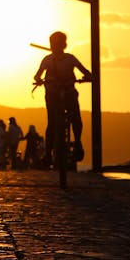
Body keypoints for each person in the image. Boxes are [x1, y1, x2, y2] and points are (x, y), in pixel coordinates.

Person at [33, 31, 91, 166]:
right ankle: (48, 152)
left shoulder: (70, 59)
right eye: (54, 44)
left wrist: (88, 75)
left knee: (75, 119)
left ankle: (77, 142)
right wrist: (39, 80)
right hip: (53, 94)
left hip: (68, 92)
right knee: (53, 122)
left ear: (64, 45)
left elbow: (84, 71)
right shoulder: (48, 60)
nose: (56, 46)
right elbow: (37, 75)